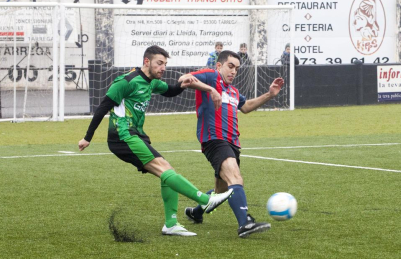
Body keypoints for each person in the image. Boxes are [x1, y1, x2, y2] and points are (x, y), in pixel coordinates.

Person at [78, 45, 233, 237]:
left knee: (166, 170)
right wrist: (87, 137)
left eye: (165, 64)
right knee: (164, 168)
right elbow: (102, 108)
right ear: (146, 62)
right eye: (159, 63)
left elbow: (171, 91)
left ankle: (171, 224)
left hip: (135, 134)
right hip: (122, 136)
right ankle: (205, 200)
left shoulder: (151, 82)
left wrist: (184, 84)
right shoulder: (126, 81)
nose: (163, 68)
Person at [182, 50, 284, 238]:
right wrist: (210, 89)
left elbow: (245, 107)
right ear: (219, 66)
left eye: (236, 68)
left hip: (232, 144)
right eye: (230, 66)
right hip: (214, 140)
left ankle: (195, 212)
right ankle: (244, 223)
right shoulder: (211, 77)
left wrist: (269, 95)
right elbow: (184, 79)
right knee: (236, 179)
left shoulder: (233, 91)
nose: (234, 71)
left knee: (221, 190)